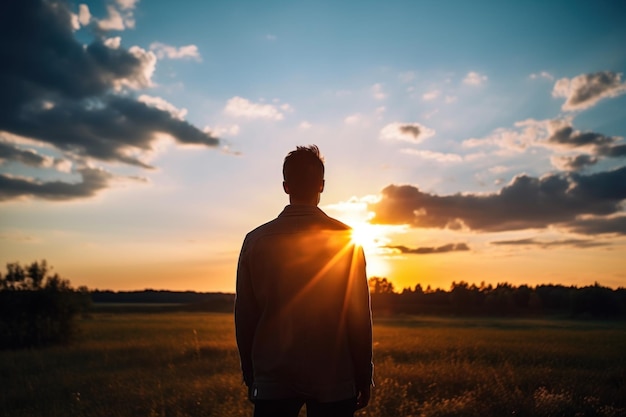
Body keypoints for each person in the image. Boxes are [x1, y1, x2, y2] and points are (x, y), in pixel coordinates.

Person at [235, 145, 373, 417]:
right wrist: (363, 375)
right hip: (334, 377)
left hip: (272, 376)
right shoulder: (347, 239)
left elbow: (245, 315)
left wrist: (251, 375)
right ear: (321, 186)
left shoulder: (255, 241)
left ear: (286, 186)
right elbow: (359, 314)